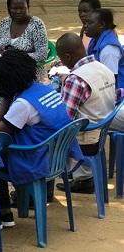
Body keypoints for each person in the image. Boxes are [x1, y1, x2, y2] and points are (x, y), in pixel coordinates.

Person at [0, 50, 82, 228]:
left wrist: (6, 101)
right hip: (57, 157)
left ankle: (4, 213)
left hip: (35, 160)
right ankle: (13, 208)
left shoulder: (23, 105)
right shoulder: (46, 90)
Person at [55, 33, 116, 194]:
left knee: (37, 137)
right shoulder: (102, 68)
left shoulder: (75, 80)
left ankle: (41, 191)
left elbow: (64, 120)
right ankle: (82, 177)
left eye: (61, 58)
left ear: (67, 57)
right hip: (100, 132)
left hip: (85, 141)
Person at [85, 8, 124, 88]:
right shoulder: (94, 40)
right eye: (85, 23)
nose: (85, 26)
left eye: (89, 23)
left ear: (101, 25)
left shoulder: (109, 48)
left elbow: (110, 82)